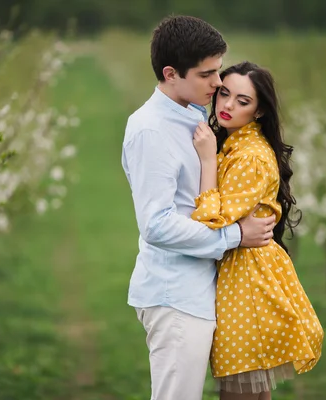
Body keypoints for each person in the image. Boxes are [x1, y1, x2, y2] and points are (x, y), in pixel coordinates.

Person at [121, 16, 277, 400]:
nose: (218, 83)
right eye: (207, 74)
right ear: (171, 73)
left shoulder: (191, 114)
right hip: (175, 296)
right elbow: (156, 225)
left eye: (218, 71)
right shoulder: (151, 130)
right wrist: (235, 235)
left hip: (203, 290)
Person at [191, 61, 324, 400]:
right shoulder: (238, 145)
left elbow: (211, 221)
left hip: (247, 286)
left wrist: (207, 161)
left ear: (260, 110)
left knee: (239, 392)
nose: (227, 106)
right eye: (224, 94)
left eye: (242, 100)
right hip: (249, 276)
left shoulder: (249, 157)